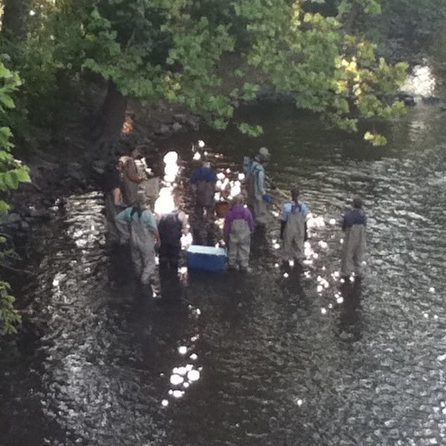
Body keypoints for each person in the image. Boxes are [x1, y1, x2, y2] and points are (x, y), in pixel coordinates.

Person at [115, 191, 160, 285]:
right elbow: (154, 229)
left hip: (133, 241)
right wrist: (158, 240)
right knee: (149, 262)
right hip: (146, 242)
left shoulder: (129, 211)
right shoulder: (148, 214)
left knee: (137, 261)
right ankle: (144, 280)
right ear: (145, 201)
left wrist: (125, 233)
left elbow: (117, 219)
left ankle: (138, 278)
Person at [224, 195, 255, 272]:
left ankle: (231, 264)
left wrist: (226, 235)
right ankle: (244, 265)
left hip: (233, 235)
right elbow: (251, 222)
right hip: (245, 235)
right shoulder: (247, 212)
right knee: (244, 249)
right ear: (243, 202)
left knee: (232, 249)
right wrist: (252, 230)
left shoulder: (230, 213)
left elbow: (227, 227)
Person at [243, 147, 273, 227]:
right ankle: (257, 228)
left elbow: (248, 176)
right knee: (259, 213)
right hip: (257, 195)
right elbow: (260, 187)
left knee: (251, 209)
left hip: (250, 192)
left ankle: (250, 222)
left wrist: (268, 181)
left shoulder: (253, 164)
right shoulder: (260, 171)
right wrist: (265, 195)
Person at [280, 187, 309, 265]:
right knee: (299, 248)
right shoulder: (303, 207)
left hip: (289, 229)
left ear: (291, 195)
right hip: (300, 229)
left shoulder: (286, 207)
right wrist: (306, 233)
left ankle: (285, 264)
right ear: (299, 195)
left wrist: (281, 232)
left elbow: (283, 221)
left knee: (286, 247)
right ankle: (298, 265)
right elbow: (305, 221)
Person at [341, 197, 367, 278]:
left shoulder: (349, 214)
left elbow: (345, 225)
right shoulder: (363, 215)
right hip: (361, 236)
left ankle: (346, 273)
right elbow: (365, 224)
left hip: (351, 234)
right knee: (359, 254)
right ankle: (359, 272)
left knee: (348, 254)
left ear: (353, 204)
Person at [157, 205, 188, 271]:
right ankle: (173, 278)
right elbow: (185, 232)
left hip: (163, 243)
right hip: (175, 243)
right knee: (174, 262)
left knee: (162, 262)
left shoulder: (161, 215)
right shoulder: (181, 214)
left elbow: (157, 228)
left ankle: (162, 278)